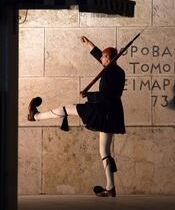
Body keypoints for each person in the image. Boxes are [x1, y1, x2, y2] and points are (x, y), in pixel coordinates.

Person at [27, 36, 126, 197]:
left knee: (68, 108)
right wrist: (90, 46)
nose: (101, 58)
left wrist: (87, 95)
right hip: (111, 114)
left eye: (103, 56)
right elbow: (101, 58)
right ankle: (110, 188)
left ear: (108, 58)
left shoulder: (109, 73)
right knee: (104, 151)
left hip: (102, 111)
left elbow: (105, 96)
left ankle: (35, 116)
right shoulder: (116, 70)